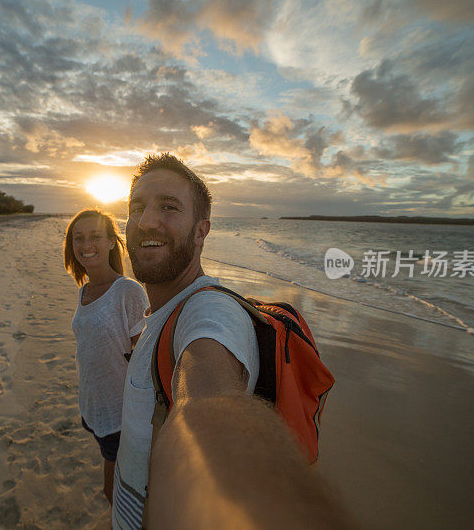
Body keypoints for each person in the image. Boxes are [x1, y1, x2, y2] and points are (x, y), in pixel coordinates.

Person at [112, 154, 353, 529]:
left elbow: (207, 401)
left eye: (169, 207)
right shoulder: (160, 311)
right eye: (136, 208)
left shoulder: (209, 312)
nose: (145, 222)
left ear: (201, 231)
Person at [64, 209, 149, 505]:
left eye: (96, 236)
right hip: (93, 402)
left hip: (120, 413)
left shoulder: (128, 291)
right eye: (79, 238)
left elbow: (145, 358)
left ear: (113, 242)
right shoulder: (85, 290)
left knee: (113, 493)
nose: (86, 244)